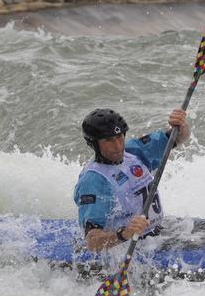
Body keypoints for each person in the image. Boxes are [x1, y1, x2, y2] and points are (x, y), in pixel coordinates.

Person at [73, 108, 190, 252]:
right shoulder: (94, 181)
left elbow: (178, 138)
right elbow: (92, 242)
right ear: (94, 143)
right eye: (108, 140)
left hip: (159, 233)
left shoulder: (132, 151)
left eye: (119, 137)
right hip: (131, 247)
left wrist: (180, 126)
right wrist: (125, 233)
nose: (117, 146)